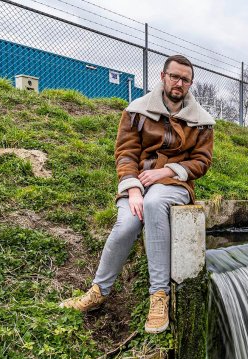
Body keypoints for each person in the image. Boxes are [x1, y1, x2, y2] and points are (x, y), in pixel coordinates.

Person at [59, 54, 214, 333]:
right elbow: (126, 153)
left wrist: (166, 172)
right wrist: (132, 188)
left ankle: (159, 296)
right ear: (163, 76)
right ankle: (98, 291)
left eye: (185, 79)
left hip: (175, 185)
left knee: (155, 204)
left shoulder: (202, 122)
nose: (179, 83)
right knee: (127, 223)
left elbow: (201, 162)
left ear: (191, 84)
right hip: (138, 184)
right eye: (174, 76)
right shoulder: (136, 111)